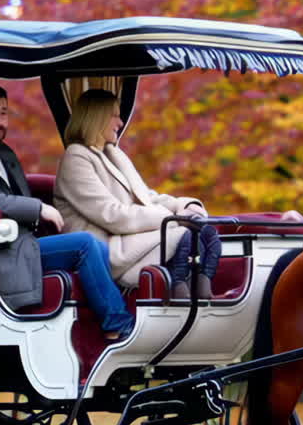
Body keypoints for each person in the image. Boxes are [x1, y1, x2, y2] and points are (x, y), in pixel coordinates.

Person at [0, 83, 136, 342]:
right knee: (85, 244)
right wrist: (38, 208)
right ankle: (118, 325)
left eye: (4, 113)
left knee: (98, 245)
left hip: (23, 244)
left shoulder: (4, 153)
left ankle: (108, 326)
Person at [54, 89, 224, 299]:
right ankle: (180, 294)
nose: (120, 122)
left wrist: (185, 206)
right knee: (184, 234)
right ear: (96, 118)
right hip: (107, 248)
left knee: (206, 232)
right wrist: (173, 219)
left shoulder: (113, 153)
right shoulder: (76, 157)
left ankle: (202, 293)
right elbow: (112, 215)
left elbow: (146, 197)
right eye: (114, 115)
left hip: (129, 238)